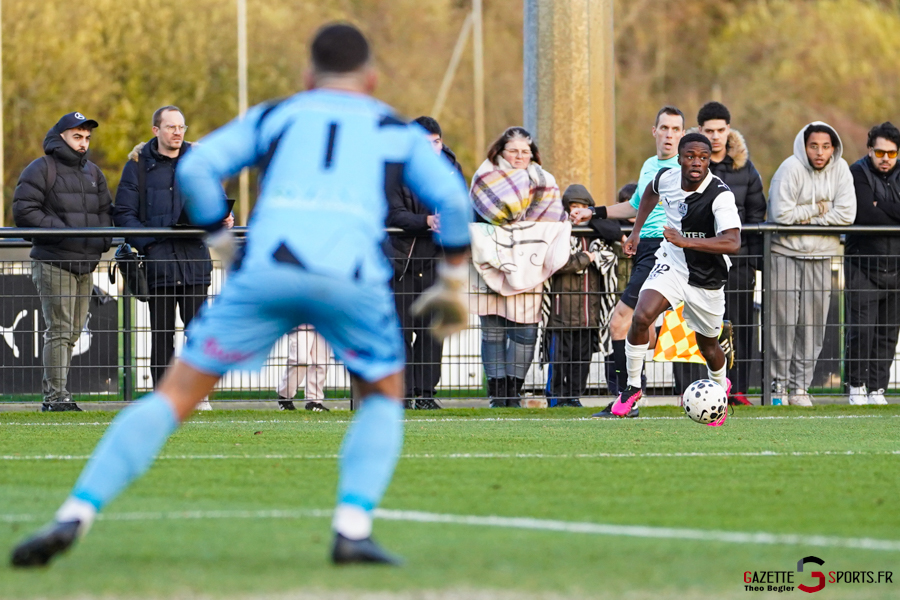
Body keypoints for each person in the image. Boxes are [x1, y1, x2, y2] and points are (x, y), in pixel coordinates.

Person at [10, 23, 471, 568]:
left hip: (269, 268)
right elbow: (450, 195)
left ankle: (75, 513)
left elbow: (201, 167)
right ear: (370, 78)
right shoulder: (391, 127)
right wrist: (455, 281)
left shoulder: (278, 114)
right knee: (383, 397)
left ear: (306, 76)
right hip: (350, 275)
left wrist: (221, 239)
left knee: (173, 396)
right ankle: (352, 525)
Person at [604, 133, 741, 421]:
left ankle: (719, 388)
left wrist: (686, 242)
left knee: (708, 346)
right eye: (690, 156)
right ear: (679, 158)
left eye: (703, 157)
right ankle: (631, 388)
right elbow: (650, 192)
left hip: (707, 278)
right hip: (672, 264)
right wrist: (637, 231)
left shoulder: (720, 194)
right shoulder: (666, 177)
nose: (697, 162)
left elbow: (732, 242)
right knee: (641, 316)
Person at [113, 106, 234, 411]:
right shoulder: (137, 167)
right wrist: (150, 246)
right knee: (161, 335)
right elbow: (124, 214)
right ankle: (164, 397)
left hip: (194, 259)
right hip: (159, 262)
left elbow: (214, 203)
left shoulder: (199, 162)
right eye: (171, 127)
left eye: (181, 127)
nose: (178, 132)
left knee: (198, 333)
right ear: (156, 130)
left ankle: (198, 394)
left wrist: (223, 216)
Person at [570, 106, 686, 417]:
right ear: (655, 131)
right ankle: (701, 336)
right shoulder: (650, 165)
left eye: (676, 129)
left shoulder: (686, 169)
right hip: (646, 249)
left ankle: (627, 397)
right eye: (665, 128)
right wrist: (593, 212)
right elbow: (635, 206)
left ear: (683, 135)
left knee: (619, 322)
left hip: (665, 249)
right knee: (637, 325)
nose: (669, 135)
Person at [12, 112, 113, 412]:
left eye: (86, 138)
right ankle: (55, 398)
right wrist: (64, 233)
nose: (83, 143)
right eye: (77, 137)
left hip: (85, 264)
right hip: (53, 261)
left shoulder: (94, 173)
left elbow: (107, 211)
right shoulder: (40, 169)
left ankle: (58, 395)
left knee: (71, 332)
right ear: (61, 137)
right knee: (59, 329)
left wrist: (102, 241)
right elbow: (24, 212)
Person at [469, 126, 569, 407]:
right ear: (500, 151)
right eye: (513, 150)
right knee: (492, 331)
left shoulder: (544, 180)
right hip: (490, 260)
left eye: (525, 151)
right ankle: (497, 395)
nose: (519, 156)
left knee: (526, 332)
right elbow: (478, 212)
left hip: (530, 262)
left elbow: (552, 218)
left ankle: (514, 391)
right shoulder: (484, 177)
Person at [767, 122, 856, 406]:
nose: (820, 152)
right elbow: (781, 214)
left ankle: (799, 388)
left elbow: (846, 214)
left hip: (822, 254)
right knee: (783, 323)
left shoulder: (841, 170)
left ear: (834, 148)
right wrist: (819, 208)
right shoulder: (789, 169)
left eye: (826, 146)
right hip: (785, 252)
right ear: (804, 146)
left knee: (813, 325)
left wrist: (804, 219)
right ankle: (778, 387)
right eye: (814, 146)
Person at [386, 115, 463, 410]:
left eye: (436, 142)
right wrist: (427, 221)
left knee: (432, 333)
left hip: (436, 264)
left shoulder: (452, 170)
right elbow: (393, 214)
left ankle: (426, 393)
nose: (432, 148)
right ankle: (402, 395)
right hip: (401, 264)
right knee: (402, 333)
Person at [694, 101, 767, 405]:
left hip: (738, 264)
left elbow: (756, 215)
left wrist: (756, 263)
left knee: (743, 327)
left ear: (728, 130)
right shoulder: (691, 164)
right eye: (708, 131)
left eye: (720, 130)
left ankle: (738, 390)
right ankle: (701, 388)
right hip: (698, 262)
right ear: (700, 131)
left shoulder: (745, 169)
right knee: (702, 326)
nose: (715, 136)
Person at [544, 184, 620, 407]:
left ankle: (574, 396)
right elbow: (556, 264)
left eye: (583, 207)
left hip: (589, 315)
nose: (577, 212)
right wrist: (586, 258)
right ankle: (556, 397)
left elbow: (610, 260)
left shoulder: (600, 238)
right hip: (561, 314)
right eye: (573, 207)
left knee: (582, 361)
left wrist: (593, 255)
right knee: (559, 359)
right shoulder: (558, 235)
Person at [844, 122, 900, 405]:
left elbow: (877, 211)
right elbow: (865, 213)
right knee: (861, 330)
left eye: (891, 153)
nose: (886, 158)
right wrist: (883, 209)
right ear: (870, 150)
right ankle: (856, 386)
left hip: (896, 266)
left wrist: (882, 206)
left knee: (888, 332)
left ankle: (878, 389)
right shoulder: (857, 172)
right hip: (862, 264)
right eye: (880, 152)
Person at [276, 325, 331, 411]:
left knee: (321, 363)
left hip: (323, 322)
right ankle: (285, 396)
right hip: (300, 321)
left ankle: (314, 401)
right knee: (300, 359)